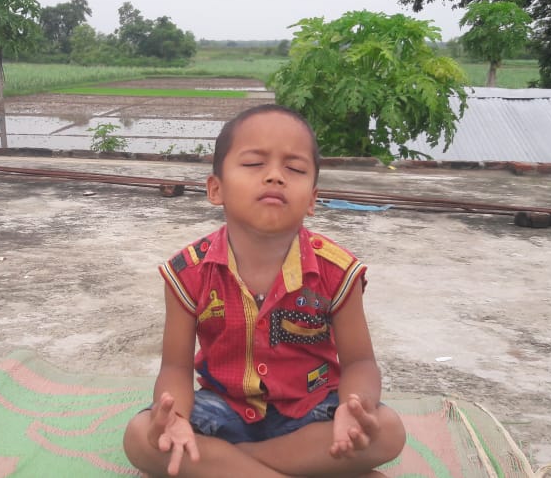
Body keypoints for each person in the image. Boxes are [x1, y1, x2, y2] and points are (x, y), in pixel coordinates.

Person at [123, 104, 406, 477]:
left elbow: (360, 363)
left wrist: (355, 410)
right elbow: (175, 366)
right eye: (255, 163)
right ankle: (301, 469)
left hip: (312, 413)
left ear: (311, 200)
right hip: (223, 412)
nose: (275, 176)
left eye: (295, 168)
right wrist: (172, 416)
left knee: (388, 432)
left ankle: (230, 466)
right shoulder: (188, 273)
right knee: (140, 437)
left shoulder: (338, 271)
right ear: (216, 188)